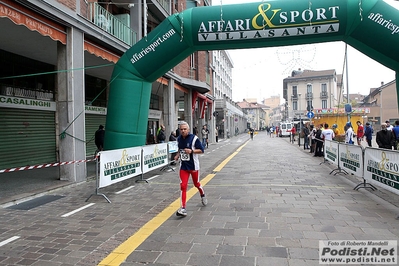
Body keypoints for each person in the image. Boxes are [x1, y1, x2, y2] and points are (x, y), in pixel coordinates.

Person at [174, 121, 207, 217]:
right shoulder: (179, 139)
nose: (183, 131)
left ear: (188, 129)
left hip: (193, 166)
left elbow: (202, 150)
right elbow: (180, 150)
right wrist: (177, 156)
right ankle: (183, 208)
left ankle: (202, 194)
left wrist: (192, 151)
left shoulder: (194, 139)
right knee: (183, 186)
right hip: (183, 166)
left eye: (185, 129)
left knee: (196, 183)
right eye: (181, 129)